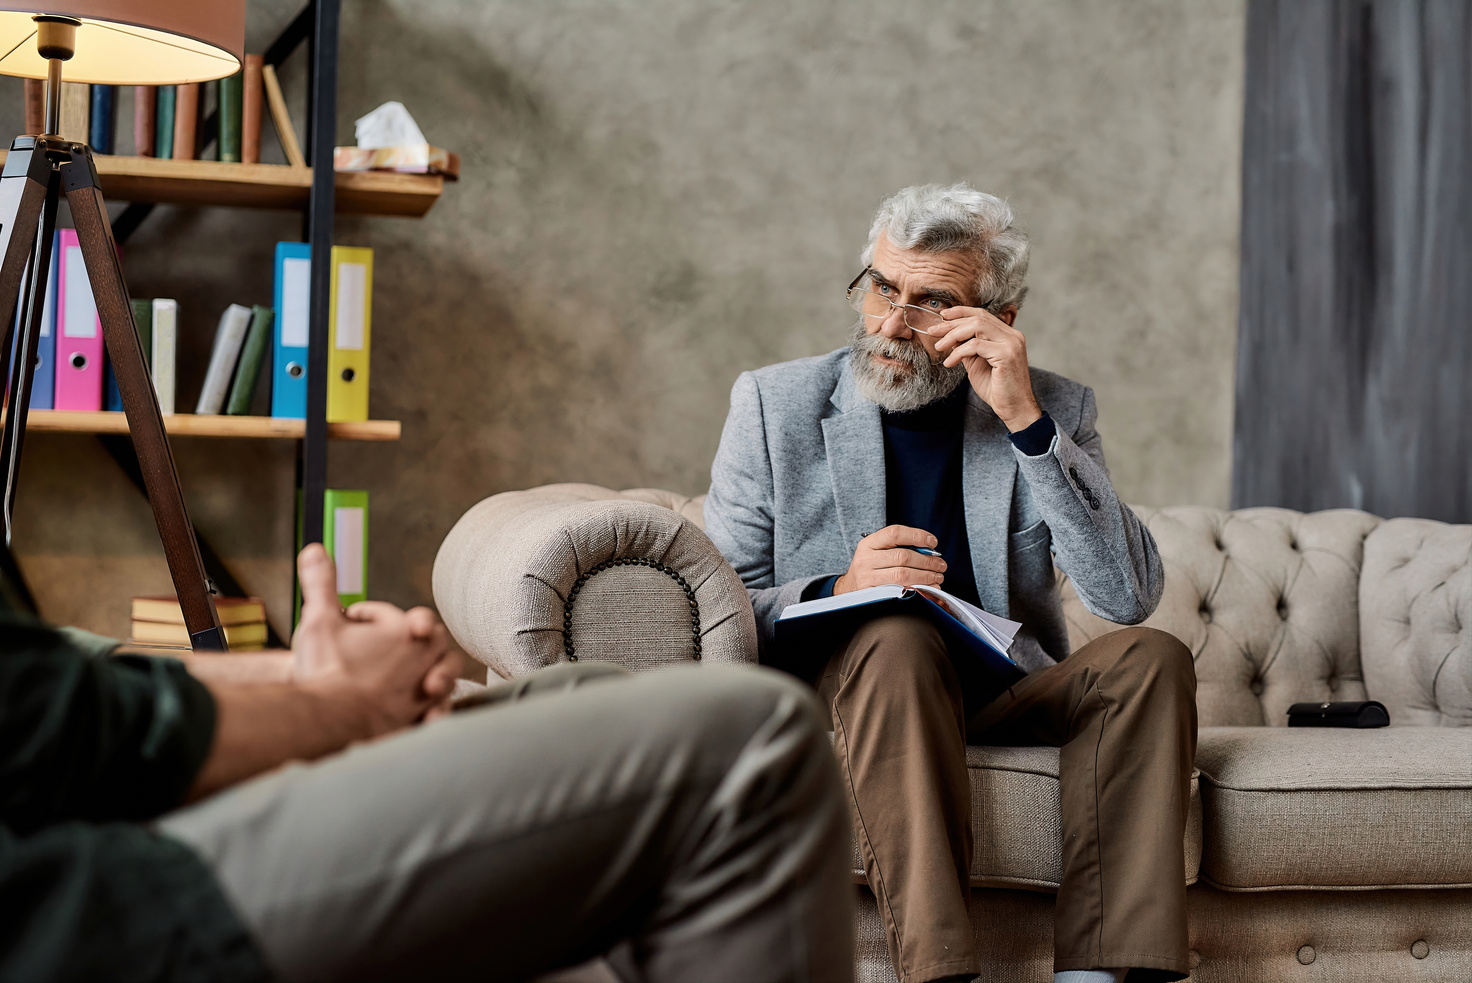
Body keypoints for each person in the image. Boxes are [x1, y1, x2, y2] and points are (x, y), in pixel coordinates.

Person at [704, 183, 1197, 983]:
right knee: (895, 635)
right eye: (880, 288)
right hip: (860, 687)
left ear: (994, 316)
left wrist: (1026, 423)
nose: (892, 323)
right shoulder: (774, 403)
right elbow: (720, 616)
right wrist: (838, 585)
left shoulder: (1052, 408)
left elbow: (1126, 593)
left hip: (1003, 688)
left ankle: (1099, 974)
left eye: (930, 302)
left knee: (1152, 655)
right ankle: (941, 974)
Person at [0, 541, 854, 982]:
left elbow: (53, 674)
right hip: (69, 904)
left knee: (580, 692)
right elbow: (48, 726)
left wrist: (299, 675)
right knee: (749, 743)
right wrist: (338, 708)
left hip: (66, 798)